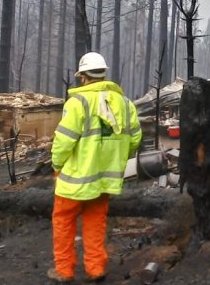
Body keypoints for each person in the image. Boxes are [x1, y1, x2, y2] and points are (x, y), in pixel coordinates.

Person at [48, 52, 142, 282]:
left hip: (74, 181)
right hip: (104, 181)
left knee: (63, 220)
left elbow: (64, 140)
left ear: (82, 77)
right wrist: (116, 159)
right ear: (103, 73)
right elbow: (135, 138)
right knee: (95, 220)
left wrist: (57, 164)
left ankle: (64, 271)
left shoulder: (77, 103)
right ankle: (96, 268)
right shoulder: (125, 103)